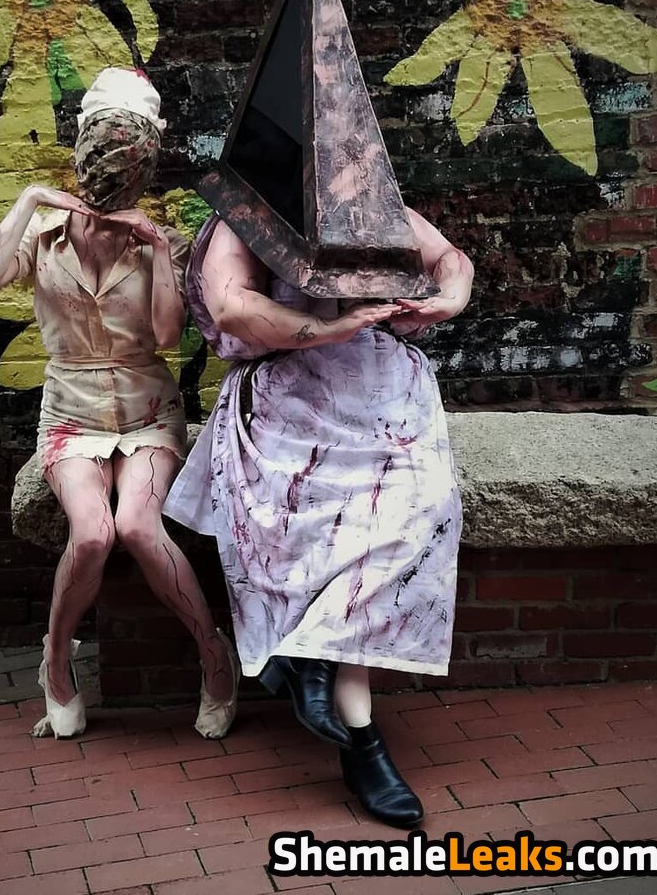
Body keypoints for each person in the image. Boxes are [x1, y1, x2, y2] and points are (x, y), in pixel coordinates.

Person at [164, 209, 473, 827]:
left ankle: (311, 660)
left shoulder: (361, 190)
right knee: (323, 531)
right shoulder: (244, 212)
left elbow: (449, 259)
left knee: (422, 511)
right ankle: (362, 742)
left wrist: (447, 297)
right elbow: (229, 306)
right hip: (288, 400)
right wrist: (328, 328)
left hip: (383, 395)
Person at [0, 68, 240, 740]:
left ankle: (215, 657)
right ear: (85, 151)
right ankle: (56, 663)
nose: (114, 167)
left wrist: (156, 248)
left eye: (129, 155)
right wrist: (32, 197)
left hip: (149, 414)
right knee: (92, 533)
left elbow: (166, 336)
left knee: (139, 528)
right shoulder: (45, 235)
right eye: (106, 150)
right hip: (71, 415)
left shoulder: (159, 241)